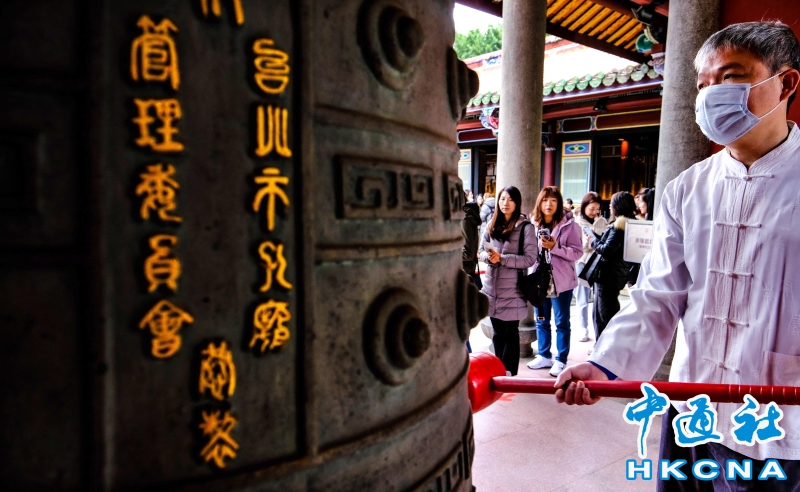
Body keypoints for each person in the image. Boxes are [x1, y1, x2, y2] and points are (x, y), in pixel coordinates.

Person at [555, 21, 800, 490]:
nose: (711, 95)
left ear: (785, 83)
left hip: (780, 419)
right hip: (693, 406)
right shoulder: (687, 189)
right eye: (703, 84)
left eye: (731, 77)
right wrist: (605, 366)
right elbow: (657, 294)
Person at [479, 186, 537, 376]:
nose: (505, 203)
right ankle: (499, 371)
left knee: (510, 333)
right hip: (491, 287)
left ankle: (509, 373)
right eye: (502, 199)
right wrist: (489, 258)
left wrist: (502, 259)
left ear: (517, 202)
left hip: (513, 289)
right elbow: (480, 251)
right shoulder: (491, 223)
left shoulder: (525, 227)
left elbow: (530, 259)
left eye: (510, 199)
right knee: (497, 333)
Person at [525, 186, 582, 377]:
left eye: (553, 200)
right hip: (539, 280)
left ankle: (561, 359)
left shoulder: (570, 226)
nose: (548, 204)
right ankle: (544, 355)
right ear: (539, 203)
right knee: (541, 320)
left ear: (559, 203)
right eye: (545, 200)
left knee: (561, 322)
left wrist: (555, 247)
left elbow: (577, 252)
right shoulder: (533, 225)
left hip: (561, 282)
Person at [589, 191, 637, 342]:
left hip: (608, 276)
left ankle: (605, 347)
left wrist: (593, 242)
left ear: (618, 206)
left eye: (612, 203)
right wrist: (598, 238)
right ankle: (603, 345)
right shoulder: (632, 224)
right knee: (605, 311)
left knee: (603, 315)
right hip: (617, 275)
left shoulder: (619, 226)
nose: (610, 206)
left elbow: (607, 250)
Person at [573, 192, 608, 343]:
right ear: (584, 206)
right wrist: (589, 242)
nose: (594, 212)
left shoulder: (603, 222)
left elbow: (605, 244)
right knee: (582, 297)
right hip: (582, 262)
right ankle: (583, 327)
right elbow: (576, 247)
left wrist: (596, 241)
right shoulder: (576, 223)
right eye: (592, 208)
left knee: (599, 297)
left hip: (598, 263)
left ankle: (599, 329)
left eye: (597, 209)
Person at [461, 202, 482, 289]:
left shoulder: (464, 220)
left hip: (464, 270)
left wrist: (450, 255)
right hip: (468, 268)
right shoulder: (468, 219)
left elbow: (468, 254)